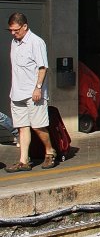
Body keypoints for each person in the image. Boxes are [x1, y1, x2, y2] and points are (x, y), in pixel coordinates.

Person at [7, 12, 57, 171]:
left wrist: (38, 88)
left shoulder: (36, 42)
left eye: (16, 30)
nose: (13, 33)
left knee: (38, 126)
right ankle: (24, 161)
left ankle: (50, 151)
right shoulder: (14, 42)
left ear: (25, 26)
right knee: (22, 126)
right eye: (11, 31)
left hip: (33, 92)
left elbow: (43, 67)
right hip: (17, 92)